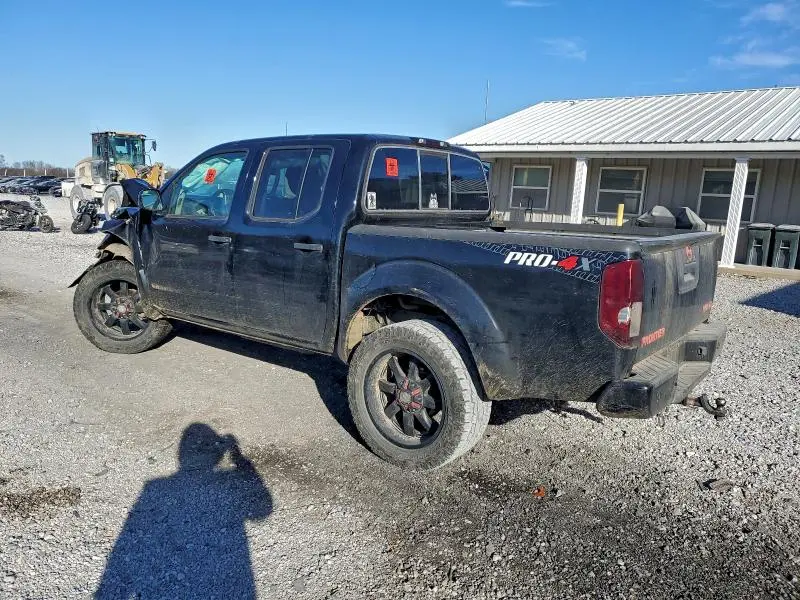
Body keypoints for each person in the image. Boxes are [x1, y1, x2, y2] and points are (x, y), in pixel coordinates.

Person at [95, 424, 272, 599]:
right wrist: (238, 458)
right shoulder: (155, 487)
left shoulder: (154, 487)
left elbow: (125, 545)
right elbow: (262, 511)